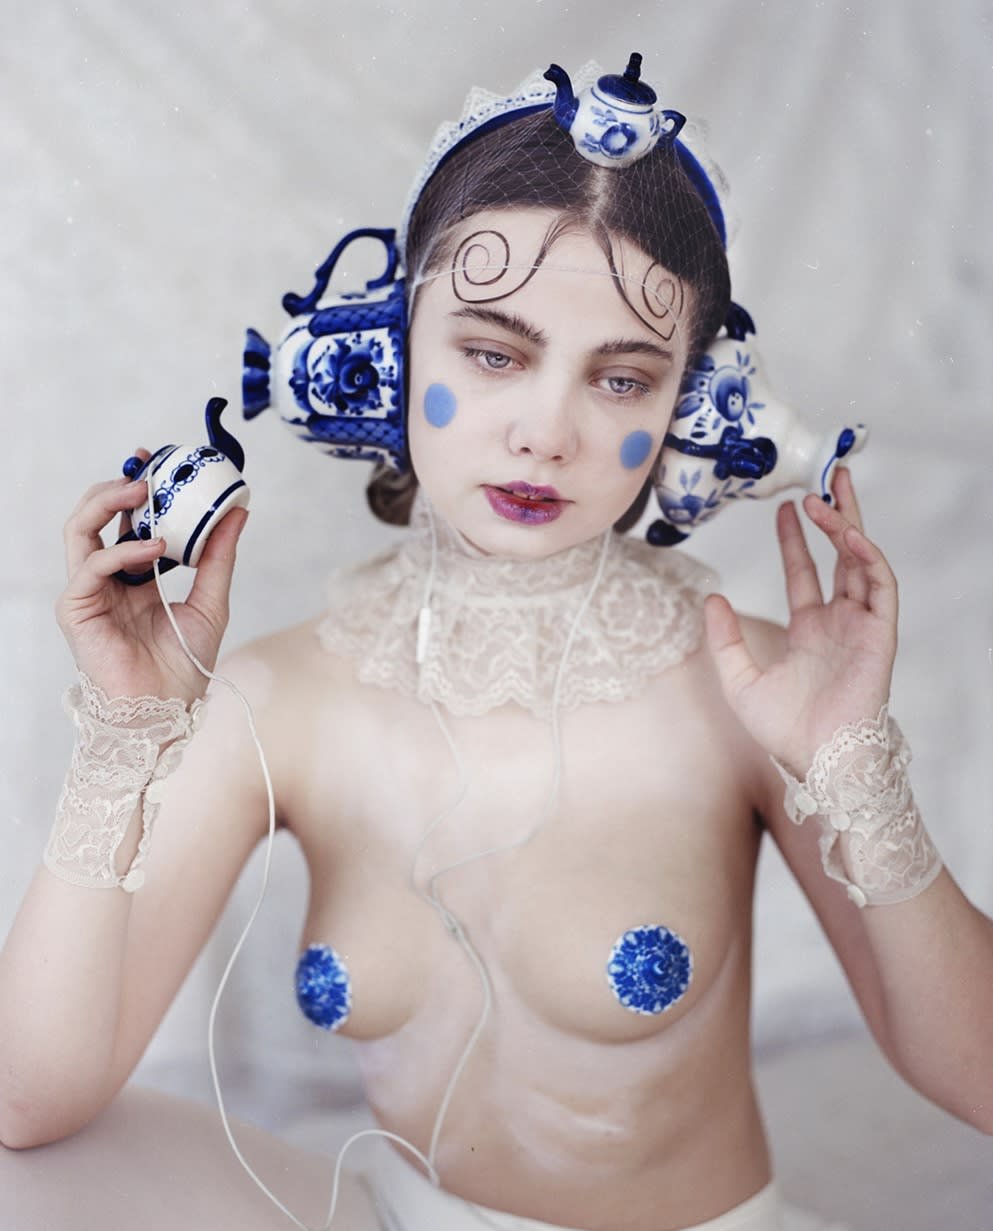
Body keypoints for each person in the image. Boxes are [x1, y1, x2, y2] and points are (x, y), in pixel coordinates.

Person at [1, 55, 991, 1231]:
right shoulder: (286, 694)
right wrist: (125, 736)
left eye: (621, 379)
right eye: (493, 353)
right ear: (386, 352)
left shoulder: (754, 691)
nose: (546, 432)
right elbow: (26, 1104)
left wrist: (856, 774)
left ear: (686, 410)